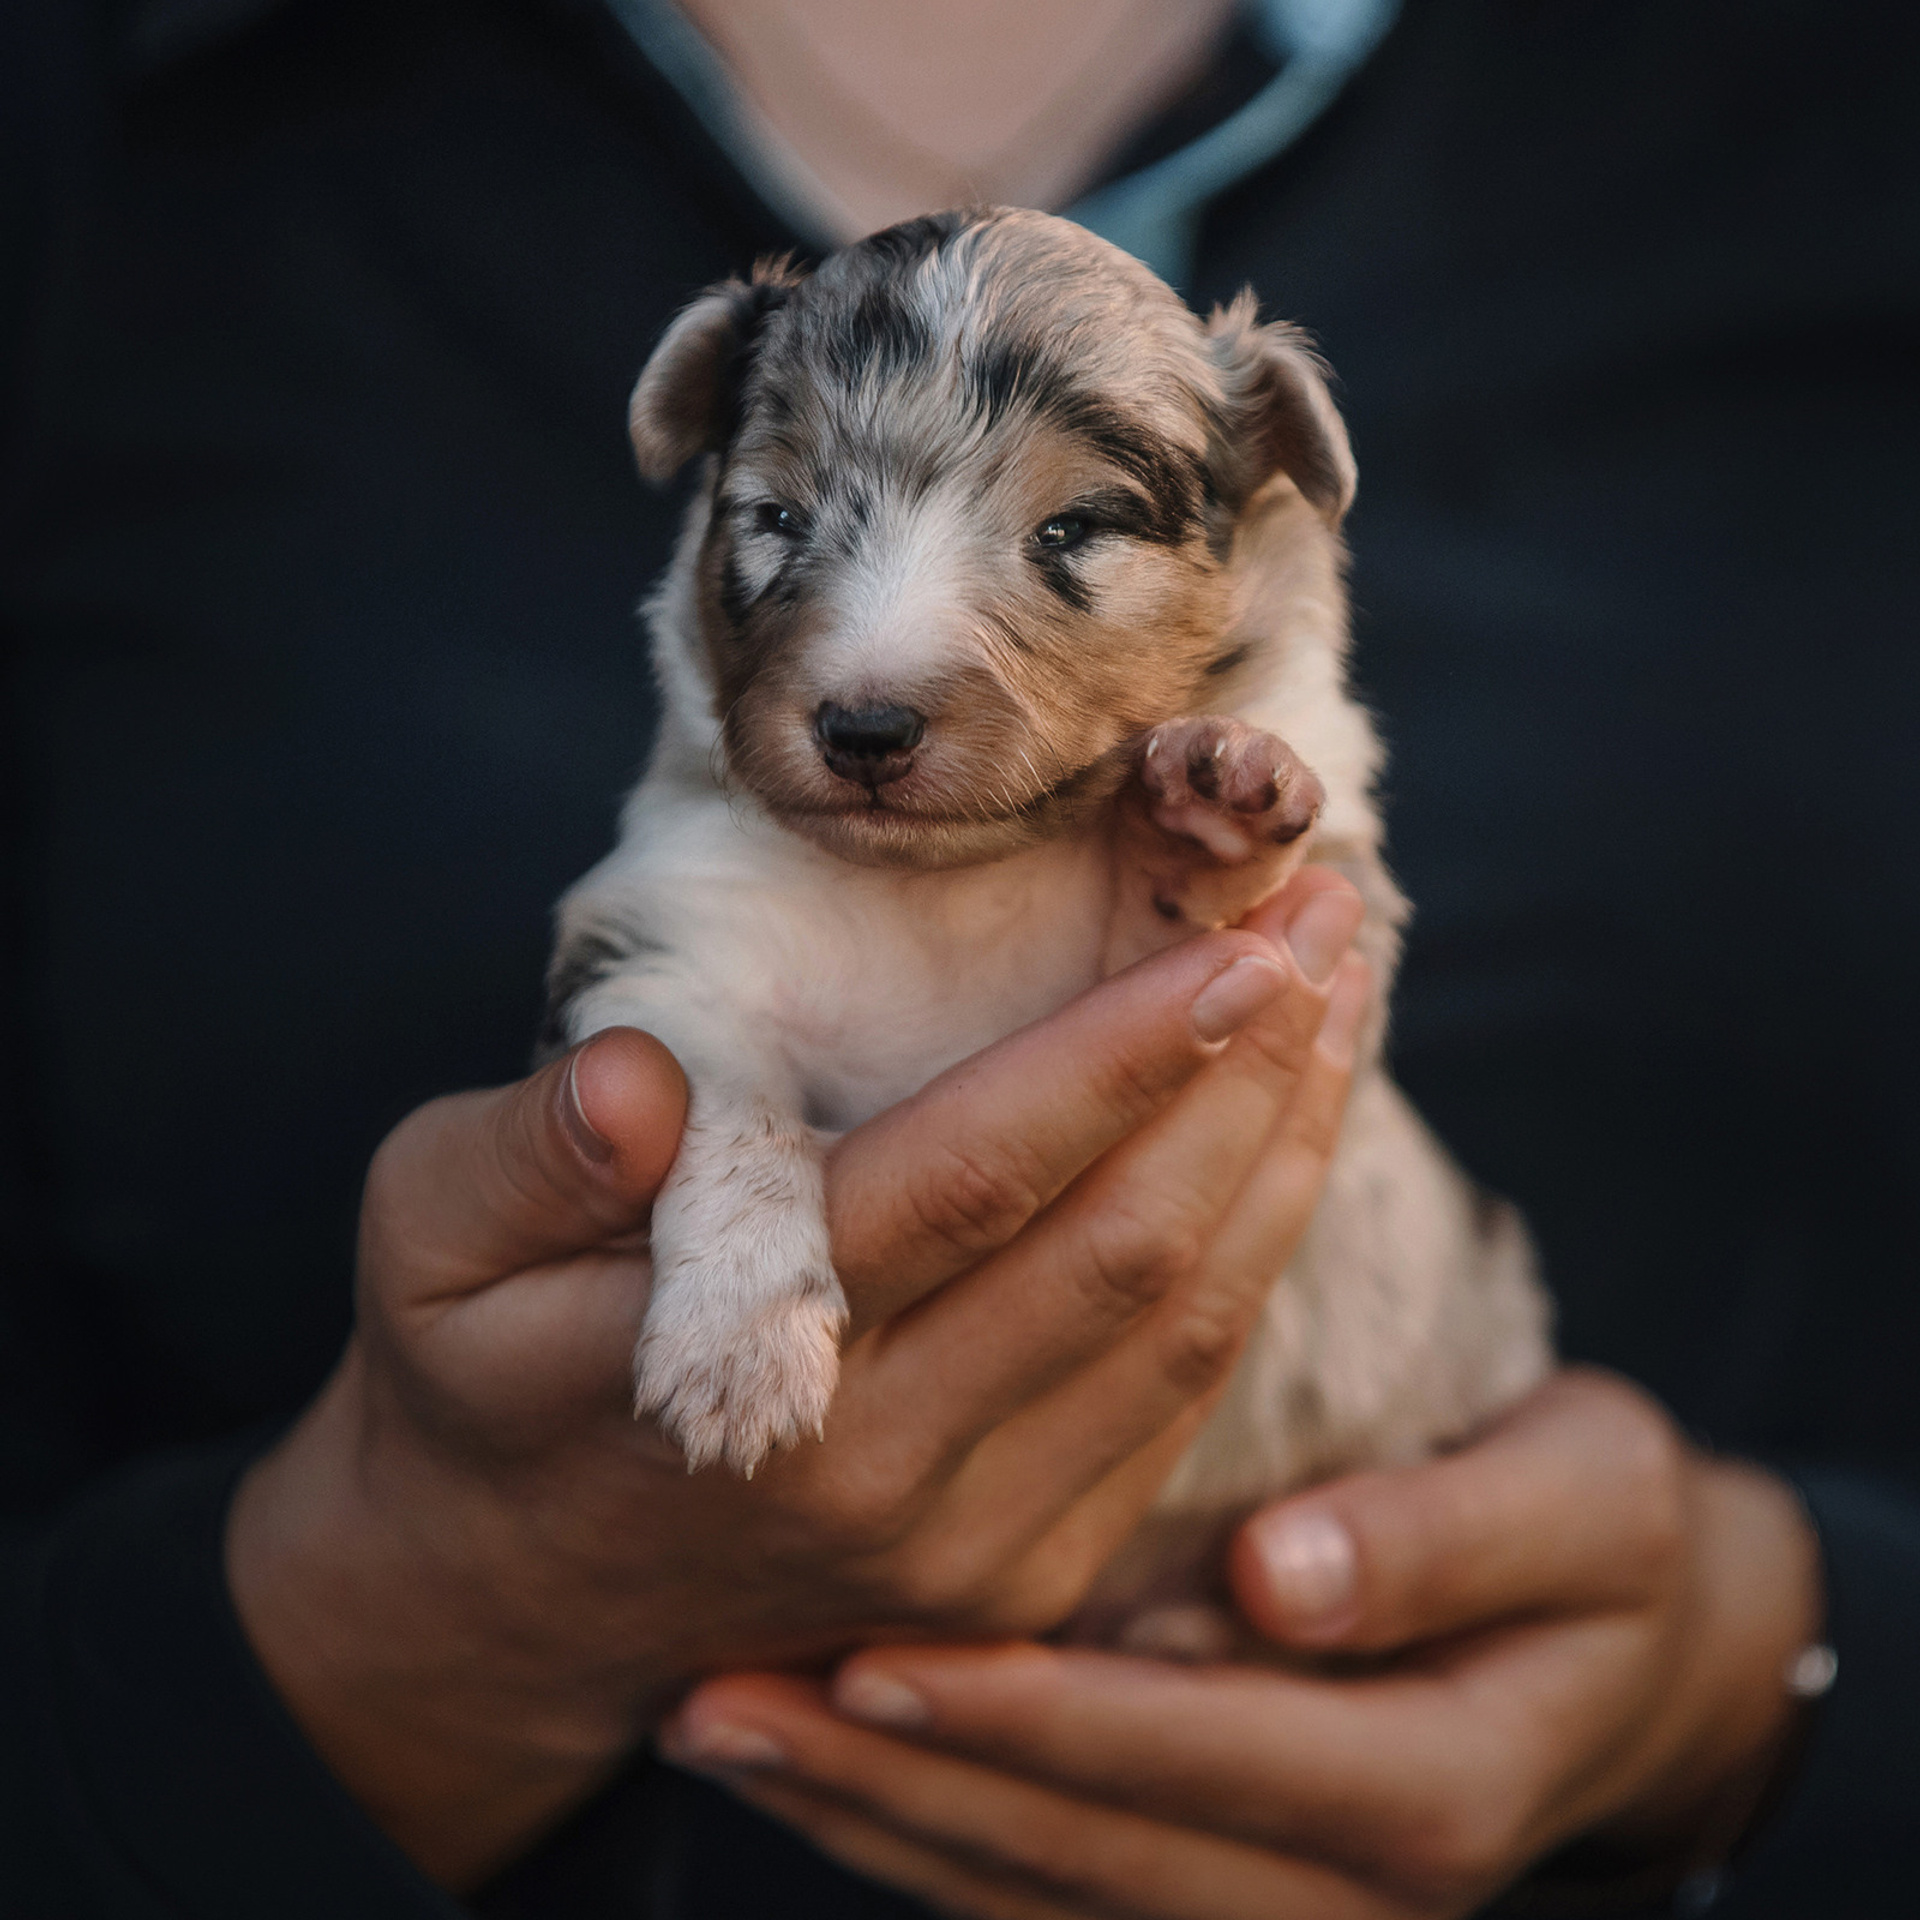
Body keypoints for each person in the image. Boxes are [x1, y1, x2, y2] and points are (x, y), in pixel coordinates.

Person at [1, 1, 1915, 1915]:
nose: (875, 670)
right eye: (780, 525)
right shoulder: (113, 115)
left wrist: (1776, 1679)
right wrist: (393, 1650)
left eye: (1068, 530)